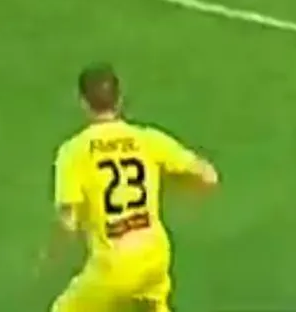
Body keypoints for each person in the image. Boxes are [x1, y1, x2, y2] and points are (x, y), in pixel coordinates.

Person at [46, 63, 219, 312]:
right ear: (119, 99)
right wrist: (175, 193)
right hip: (154, 256)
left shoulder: (74, 151)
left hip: (113, 265)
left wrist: (52, 257)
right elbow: (208, 176)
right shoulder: (147, 139)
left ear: (82, 102)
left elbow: (68, 223)